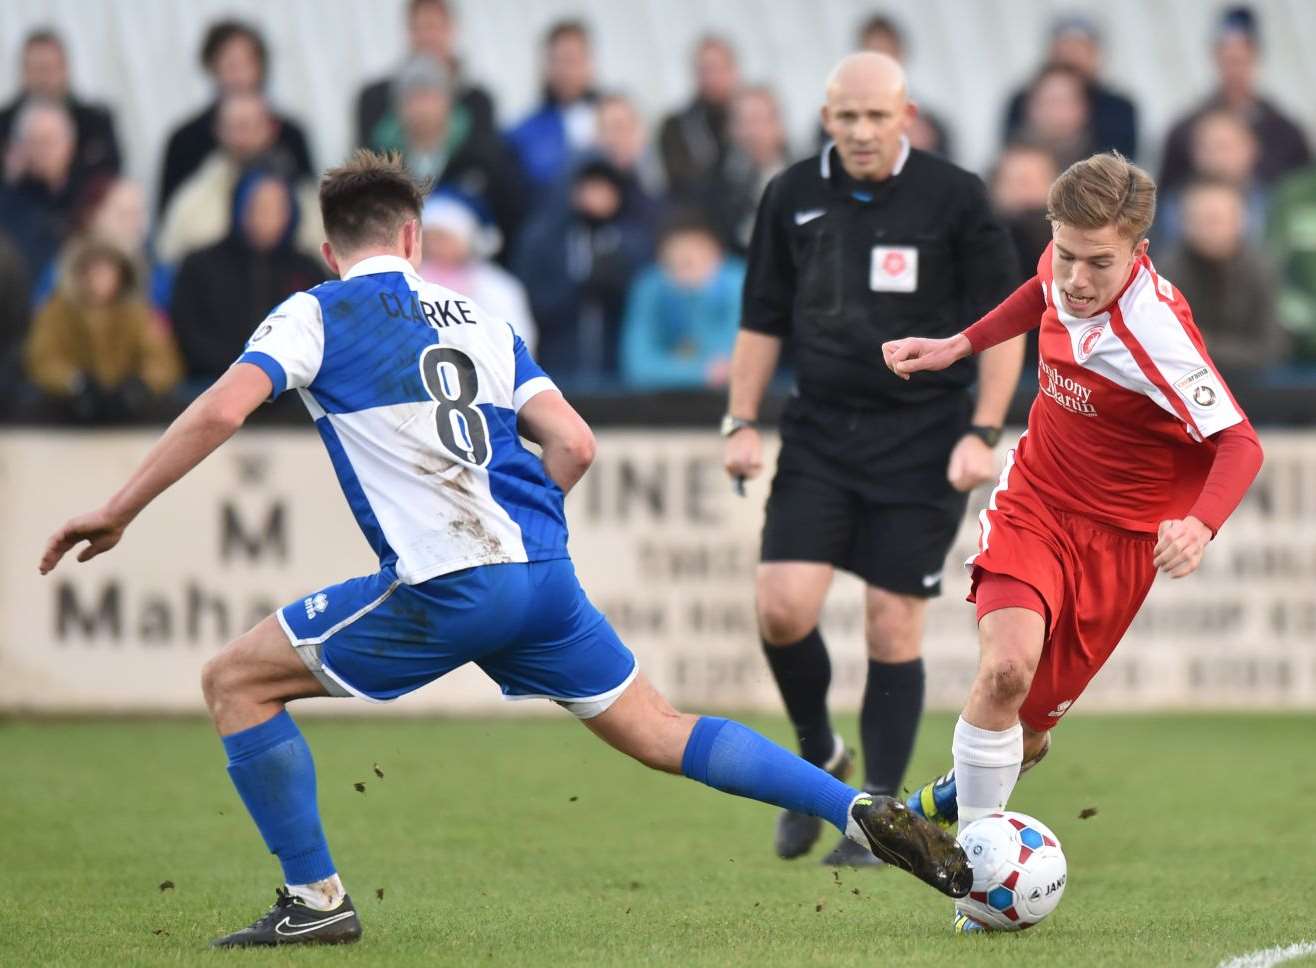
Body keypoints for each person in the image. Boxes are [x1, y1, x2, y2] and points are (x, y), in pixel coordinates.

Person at [37, 150, 970, 948]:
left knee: (234, 682)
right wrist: (522, 537)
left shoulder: (313, 312)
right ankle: (852, 806)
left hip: (447, 581)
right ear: (412, 239)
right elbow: (576, 443)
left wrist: (119, 510)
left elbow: (220, 408)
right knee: (660, 729)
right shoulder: (479, 318)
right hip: (542, 577)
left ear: (331, 249)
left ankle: (315, 902)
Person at [884, 152, 1264, 932]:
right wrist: (959, 345)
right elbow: (1038, 296)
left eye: (1100, 262)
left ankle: (951, 798)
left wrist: (1198, 523)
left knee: (1026, 737)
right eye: (1066, 253)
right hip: (1037, 499)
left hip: (1118, 543)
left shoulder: (1154, 335)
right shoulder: (1063, 266)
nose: (1078, 278)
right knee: (1006, 668)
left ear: (1140, 252)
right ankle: (972, 880)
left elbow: (1240, 443)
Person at [722, 52, 1024, 867]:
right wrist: (738, 421)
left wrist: (984, 431)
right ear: (826, 118)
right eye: (845, 117)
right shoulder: (789, 194)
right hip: (820, 432)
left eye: (875, 116)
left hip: (925, 438)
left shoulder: (955, 196)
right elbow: (760, 320)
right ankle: (819, 753)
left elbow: (1006, 322)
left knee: (893, 624)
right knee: (782, 607)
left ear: (906, 115)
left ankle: (876, 818)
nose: (860, 131)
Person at [170, 170, 325, 386]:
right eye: (259, 207)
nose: (267, 218)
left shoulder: (308, 270)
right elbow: (188, 333)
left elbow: (319, 337)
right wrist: (244, 375)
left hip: (289, 392)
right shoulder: (199, 266)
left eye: (277, 209)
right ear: (239, 207)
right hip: (214, 386)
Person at [512, 158, 653, 383]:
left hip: (614, 368)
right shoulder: (546, 239)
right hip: (558, 362)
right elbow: (531, 300)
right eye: (591, 188)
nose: (597, 197)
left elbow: (643, 308)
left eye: (605, 189)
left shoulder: (633, 242)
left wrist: (615, 286)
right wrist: (578, 287)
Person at [157, 19, 313, 215]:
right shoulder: (185, 140)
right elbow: (170, 217)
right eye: (230, 64)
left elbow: (311, 208)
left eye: (247, 63)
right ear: (212, 67)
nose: (239, 75)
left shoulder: (291, 135)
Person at [24, 236, 181, 422]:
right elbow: (44, 359)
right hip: (68, 408)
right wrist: (76, 382)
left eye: (108, 270)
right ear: (80, 274)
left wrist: (140, 385)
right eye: (94, 270)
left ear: (121, 273)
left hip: (130, 410)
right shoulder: (57, 312)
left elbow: (162, 360)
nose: (101, 279)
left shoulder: (138, 314)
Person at [156, 91, 323, 266]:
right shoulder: (192, 201)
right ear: (218, 131)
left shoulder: (304, 198)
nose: (244, 137)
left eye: (253, 125)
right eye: (236, 127)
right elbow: (168, 262)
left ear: (271, 129)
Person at [1159, 5, 1309, 194]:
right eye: (1228, 60)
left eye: (1241, 60)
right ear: (1216, 58)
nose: (1234, 71)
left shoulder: (1286, 133)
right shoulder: (1184, 130)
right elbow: (1166, 198)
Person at [391, 55, 525, 251]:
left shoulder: (482, 157)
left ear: (448, 101)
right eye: (412, 98)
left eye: (428, 96)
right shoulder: (384, 162)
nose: (421, 108)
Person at [1157, 178, 1285, 373]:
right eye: (1197, 218)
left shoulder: (1261, 269)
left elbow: (1271, 348)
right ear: (1183, 222)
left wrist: (1204, 343)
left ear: (1241, 220)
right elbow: (1165, 347)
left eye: (1215, 219)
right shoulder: (1165, 273)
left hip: (1252, 384)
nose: (1207, 228)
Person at [620, 214, 745, 389]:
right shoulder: (650, 285)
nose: (682, 276)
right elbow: (638, 366)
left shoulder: (740, 283)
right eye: (671, 265)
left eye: (689, 263)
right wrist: (701, 372)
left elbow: (739, 366)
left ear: (716, 255)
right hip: (663, 402)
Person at [355, 0, 496, 152]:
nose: (428, 37)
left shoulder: (477, 103)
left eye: (434, 27)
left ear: (452, 30)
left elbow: (488, 164)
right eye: (419, 28)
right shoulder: (374, 99)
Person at [1002, 14, 1138, 159]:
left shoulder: (1119, 109)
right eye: (1049, 102)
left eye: (1080, 49)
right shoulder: (1019, 101)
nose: (1072, 57)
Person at [0, 29, 121, 187]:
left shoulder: (95, 121)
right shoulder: (4, 123)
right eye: (35, 68)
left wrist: (63, 169)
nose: (42, 78)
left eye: (48, 68)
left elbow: (110, 171)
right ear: (23, 71)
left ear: (64, 68)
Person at [418, 192, 537, 351]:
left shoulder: (495, 287)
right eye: (429, 238)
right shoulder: (412, 278)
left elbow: (518, 340)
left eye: (443, 238)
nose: (435, 246)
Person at [506, 20, 599, 190]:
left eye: (572, 60)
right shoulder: (522, 134)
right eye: (557, 61)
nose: (565, 71)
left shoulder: (615, 120)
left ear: (589, 63)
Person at [0, 99, 84, 284]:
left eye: (50, 141)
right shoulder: (7, 203)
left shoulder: (89, 198)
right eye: (34, 142)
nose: (43, 150)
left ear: (70, 145)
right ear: (20, 148)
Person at [705, 85, 791, 254]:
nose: (753, 131)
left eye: (761, 120)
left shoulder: (808, 175)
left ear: (779, 125)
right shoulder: (714, 184)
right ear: (730, 130)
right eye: (743, 122)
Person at [658, 36, 741, 201]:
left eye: (718, 68)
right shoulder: (676, 126)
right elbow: (680, 182)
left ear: (734, 71)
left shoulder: (752, 119)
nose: (712, 77)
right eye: (705, 70)